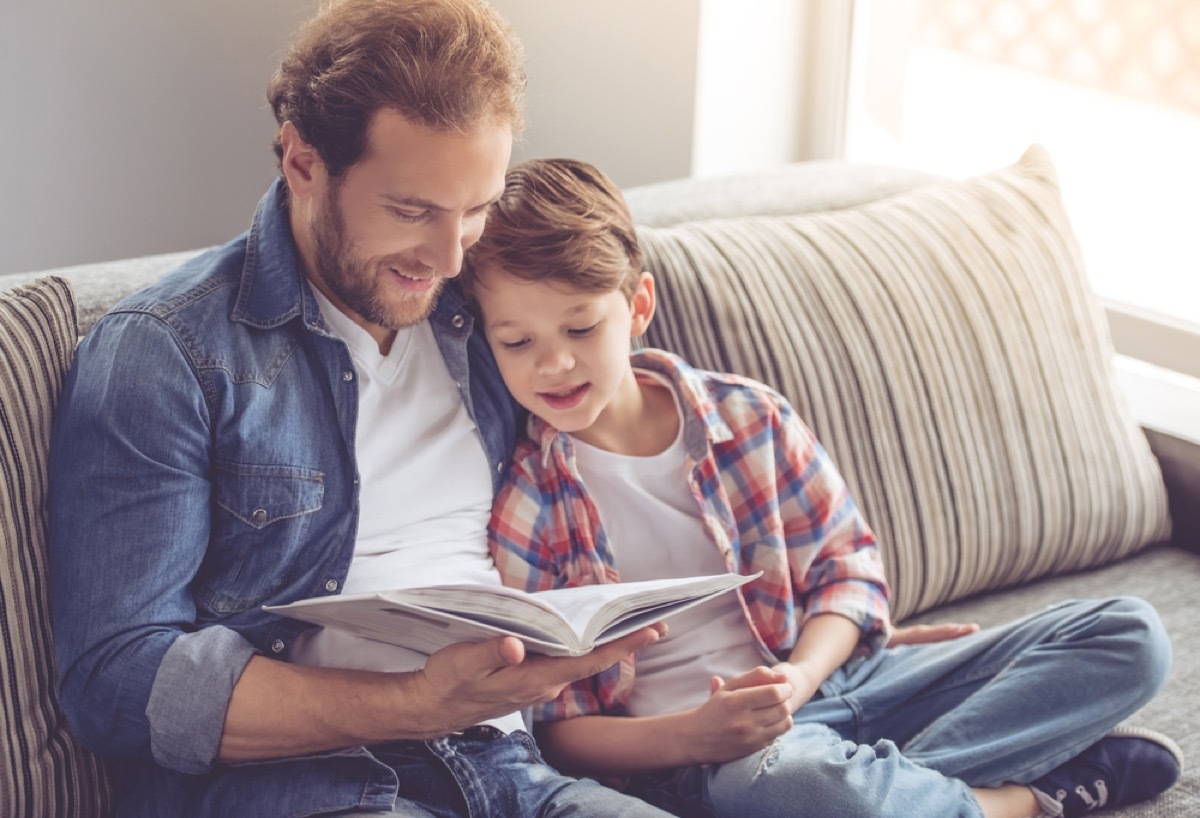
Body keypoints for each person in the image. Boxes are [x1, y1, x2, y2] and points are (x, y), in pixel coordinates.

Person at [46, 3, 677, 817]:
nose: (450, 257)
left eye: (475, 209)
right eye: (412, 211)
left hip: (510, 765)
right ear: (303, 163)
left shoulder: (483, 314)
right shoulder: (167, 353)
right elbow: (117, 678)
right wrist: (416, 702)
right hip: (306, 786)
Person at [458, 157, 1183, 818]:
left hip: (843, 684)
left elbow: (850, 575)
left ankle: (890, 797)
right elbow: (554, 728)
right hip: (719, 758)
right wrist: (690, 736)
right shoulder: (528, 508)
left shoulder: (749, 418)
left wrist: (804, 677)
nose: (553, 364)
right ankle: (1016, 804)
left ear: (638, 306)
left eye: (581, 327)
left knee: (1129, 634)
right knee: (787, 785)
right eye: (517, 343)